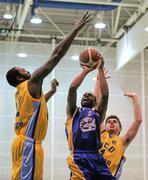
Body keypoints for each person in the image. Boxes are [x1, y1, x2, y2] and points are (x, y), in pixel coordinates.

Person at [6, 11, 91, 180]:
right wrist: (75, 30)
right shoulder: (31, 83)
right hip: (29, 144)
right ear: (18, 77)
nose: (26, 69)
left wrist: (51, 92)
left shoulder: (20, 92)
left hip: (22, 143)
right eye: (21, 69)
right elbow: (57, 54)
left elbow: (35, 108)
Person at [65, 56, 115, 180]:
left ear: (94, 102)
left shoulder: (98, 114)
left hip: (96, 157)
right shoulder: (73, 112)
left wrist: (100, 70)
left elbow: (105, 94)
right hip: (78, 156)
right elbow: (72, 88)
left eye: (90, 95)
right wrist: (85, 71)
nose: (86, 95)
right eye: (84, 95)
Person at [100, 92, 142, 179]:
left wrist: (134, 97)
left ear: (120, 128)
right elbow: (98, 110)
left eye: (115, 121)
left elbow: (138, 120)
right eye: (109, 121)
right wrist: (99, 81)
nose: (111, 122)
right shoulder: (101, 134)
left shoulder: (123, 141)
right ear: (105, 126)